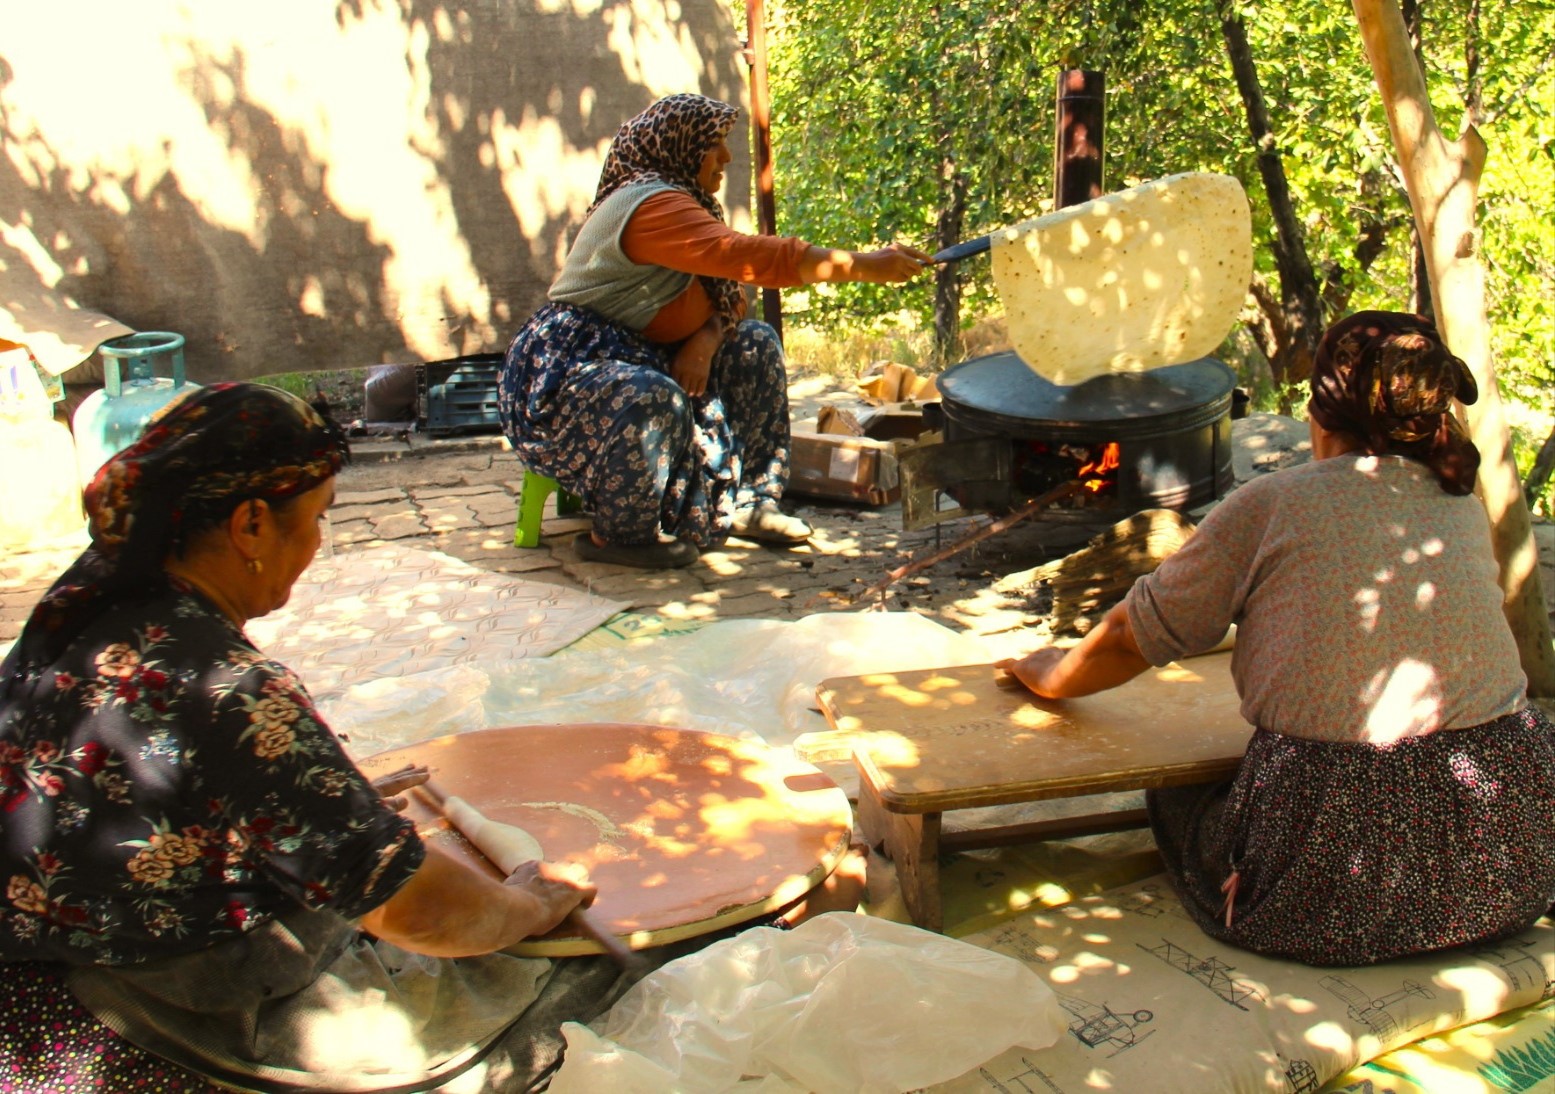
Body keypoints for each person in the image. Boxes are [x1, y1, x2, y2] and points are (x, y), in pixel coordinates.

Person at [0, 384, 610, 1091]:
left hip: (34, 980)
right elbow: (415, 907)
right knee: (566, 989)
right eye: (317, 519)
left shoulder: (86, 597)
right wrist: (526, 904)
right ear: (251, 524)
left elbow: (142, 777)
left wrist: (316, 800)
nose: (320, 543)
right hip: (157, 1010)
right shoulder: (230, 692)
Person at [999, 311, 1555, 967]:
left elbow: (1129, 637)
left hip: (1336, 891)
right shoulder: (1455, 500)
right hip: (1512, 851)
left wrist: (1050, 672)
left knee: (1179, 792)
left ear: (1321, 412)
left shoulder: (1272, 502)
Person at [499, 93, 933, 569]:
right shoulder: (649, 204)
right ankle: (620, 536)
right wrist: (867, 265)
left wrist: (705, 341)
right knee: (649, 394)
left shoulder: (690, 202)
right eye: (714, 144)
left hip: (651, 353)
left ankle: (753, 501)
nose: (725, 157)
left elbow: (728, 293)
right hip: (573, 372)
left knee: (754, 344)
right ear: (678, 147)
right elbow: (748, 258)